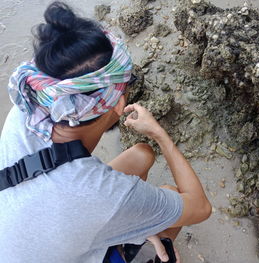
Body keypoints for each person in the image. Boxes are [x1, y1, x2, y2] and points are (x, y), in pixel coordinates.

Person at [0, 2, 211, 263]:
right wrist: (159, 134)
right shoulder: (100, 193)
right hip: (73, 210)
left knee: (141, 155)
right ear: (118, 102)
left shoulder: (28, 108)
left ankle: (120, 226)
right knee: (169, 196)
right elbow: (200, 208)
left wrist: (125, 221)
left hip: (25, 232)